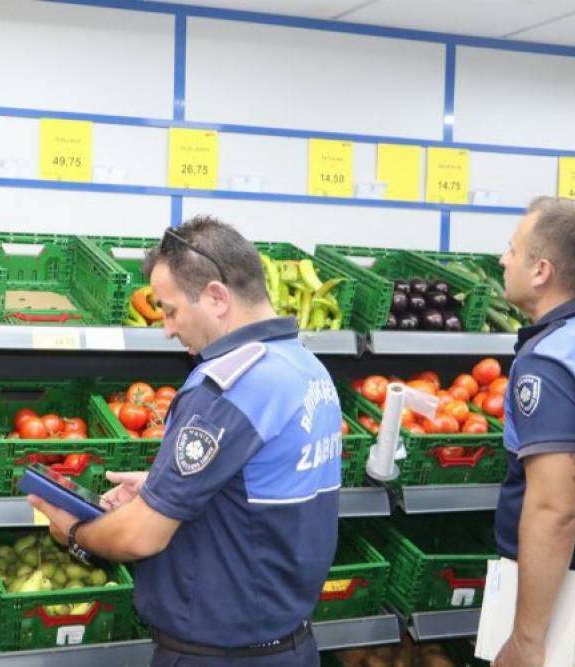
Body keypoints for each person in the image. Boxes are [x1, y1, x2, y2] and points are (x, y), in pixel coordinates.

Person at [29, 216, 342, 666]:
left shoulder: (229, 388)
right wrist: (162, 484)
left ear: (216, 297)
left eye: (171, 310)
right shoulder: (306, 368)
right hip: (289, 644)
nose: (168, 329)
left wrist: (75, 532)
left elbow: (140, 537)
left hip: (220, 657)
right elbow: (262, 486)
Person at [492, 197, 575, 667]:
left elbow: (553, 509)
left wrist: (527, 639)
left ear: (541, 271)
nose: (503, 259)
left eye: (512, 250)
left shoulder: (551, 362)